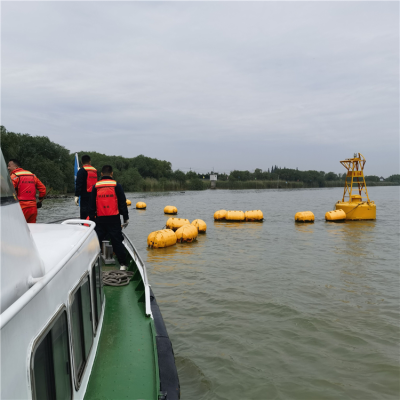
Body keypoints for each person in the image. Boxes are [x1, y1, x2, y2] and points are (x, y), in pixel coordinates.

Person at [89, 165, 129, 270]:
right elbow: (122, 204)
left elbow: (92, 205)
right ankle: (123, 264)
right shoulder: (117, 185)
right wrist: (126, 218)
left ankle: (92, 264)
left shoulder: (95, 186)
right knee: (117, 241)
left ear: (101, 174)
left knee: (97, 241)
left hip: (100, 219)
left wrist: (92, 220)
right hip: (114, 218)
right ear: (112, 173)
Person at [8, 159, 46, 223]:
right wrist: (40, 201)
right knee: (32, 229)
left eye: (9, 166)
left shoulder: (14, 176)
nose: (8, 168)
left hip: (21, 208)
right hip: (33, 208)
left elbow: (10, 192)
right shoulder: (32, 175)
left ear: (16, 166)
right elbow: (43, 189)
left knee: (19, 228)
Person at [75, 155, 98, 219]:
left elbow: (79, 184)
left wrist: (76, 195)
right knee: (93, 212)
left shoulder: (81, 171)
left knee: (84, 214)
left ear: (82, 162)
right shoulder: (95, 170)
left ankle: (84, 226)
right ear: (90, 162)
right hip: (94, 195)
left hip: (85, 196)